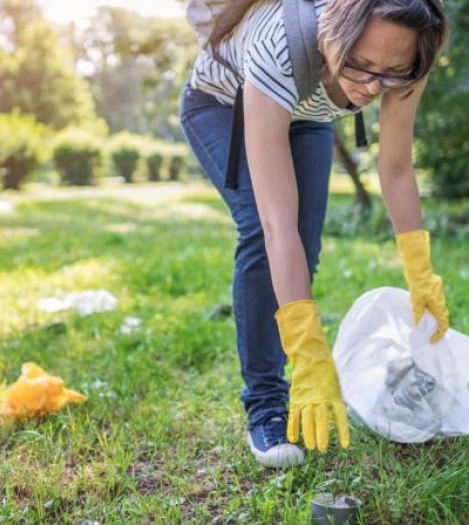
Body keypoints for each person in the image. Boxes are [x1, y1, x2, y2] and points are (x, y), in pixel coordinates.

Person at [179, 0, 451, 467]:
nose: (371, 87)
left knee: (305, 249)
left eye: (390, 74)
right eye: (360, 66)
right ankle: (266, 405)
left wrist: (420, 271)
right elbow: (275, 224)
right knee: (265, 237)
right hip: (225, 105)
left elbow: (398, 168)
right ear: (335, 37)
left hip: (309, 113)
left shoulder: (413, 51)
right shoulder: (281, 46)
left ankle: (283, 380)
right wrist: (309, 354)